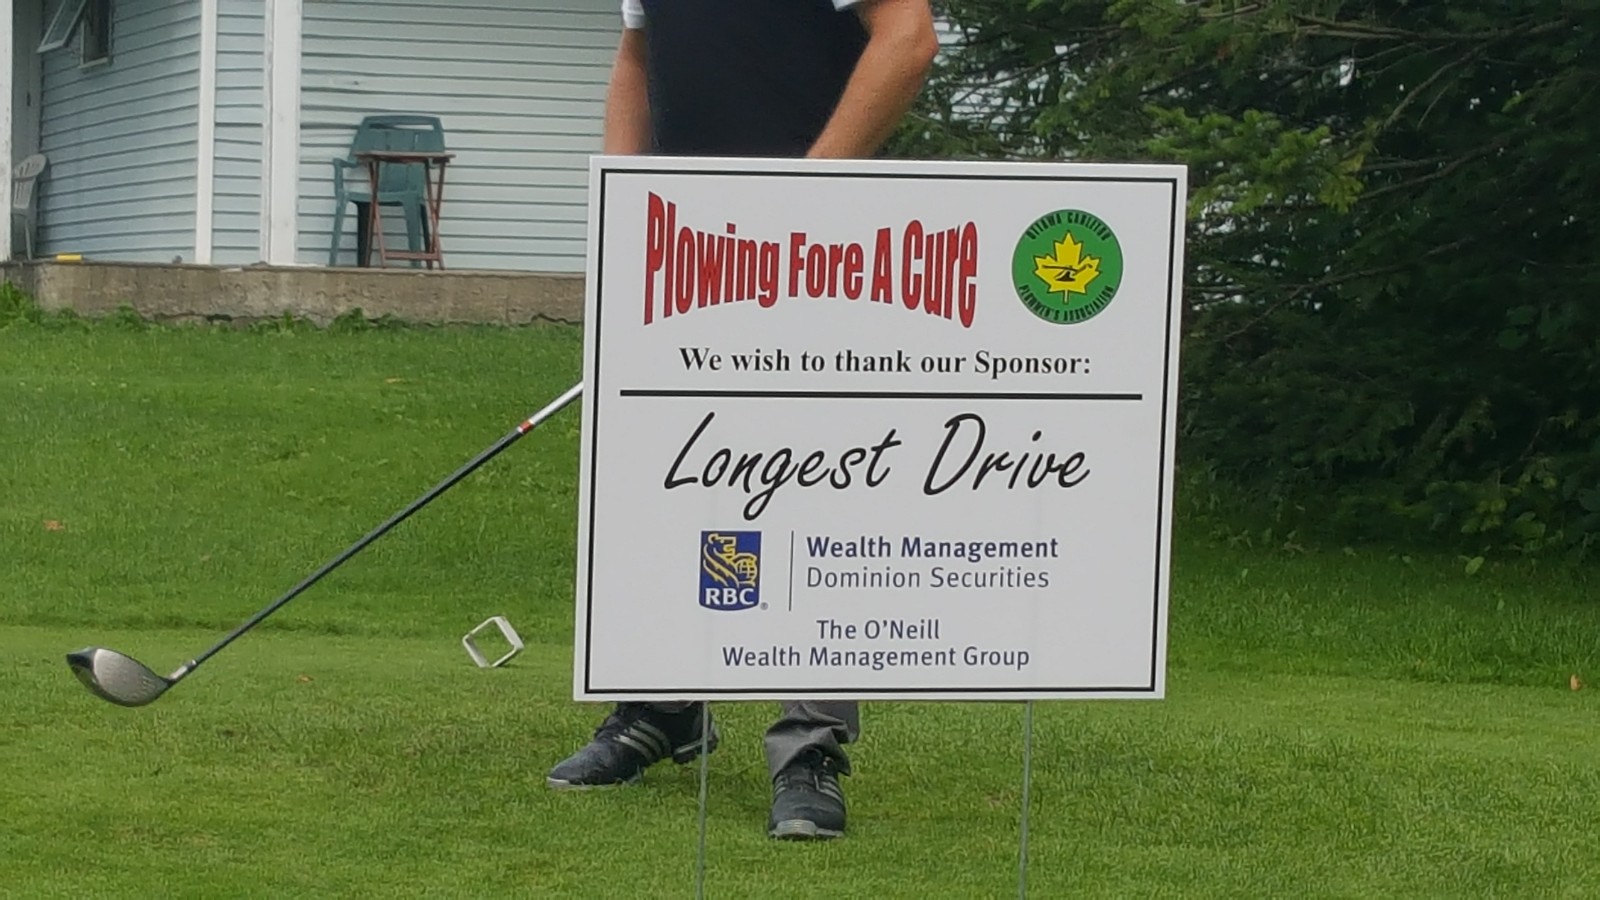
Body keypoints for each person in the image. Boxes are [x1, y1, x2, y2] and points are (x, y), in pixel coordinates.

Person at [545, 0, 939, 841]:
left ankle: (810, 751)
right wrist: (622, 205)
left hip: (821, 250)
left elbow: (908, 38)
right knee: (671, 478)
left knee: (813, 494)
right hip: (685, 247)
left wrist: (802, 195)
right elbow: (639, 56)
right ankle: (661, 707)